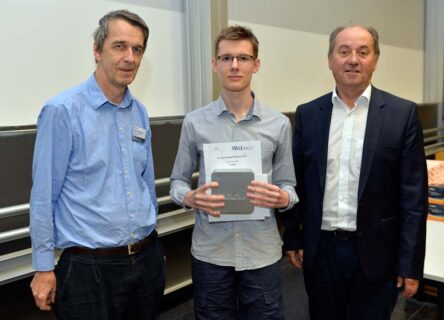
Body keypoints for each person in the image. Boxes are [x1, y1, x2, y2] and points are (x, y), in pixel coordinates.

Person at [283, 25, 428, 320]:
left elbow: (414, 198)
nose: (353, 59)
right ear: (330, 59)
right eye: (344, 51)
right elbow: (297, 182)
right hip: (321, 252)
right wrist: (293, 238)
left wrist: (410, 263)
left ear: (375, 59)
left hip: (378, 255)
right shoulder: (308, 115)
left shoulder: (402, 115)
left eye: (363, 52)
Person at [29, 9, 165, 319]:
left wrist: (152, 243)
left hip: (146, 261)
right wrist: (43, 267)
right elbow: (43, 196)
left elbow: (146, 181)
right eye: (119, 46)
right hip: (89, 271)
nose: (129, 57)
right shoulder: (62, 111)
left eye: (137, 49)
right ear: (96, 50)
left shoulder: (139, 112)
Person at [170, 25, 298, 319]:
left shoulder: (278, 125)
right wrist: (190, 197)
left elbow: (289, 186)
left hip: (261, 253)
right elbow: (177, 181)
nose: (235, 65)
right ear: (215, 64)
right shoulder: (194, 123)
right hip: (211, 253)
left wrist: (281, 198)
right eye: (226, 58)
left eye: (243, 57)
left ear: (256, 64)